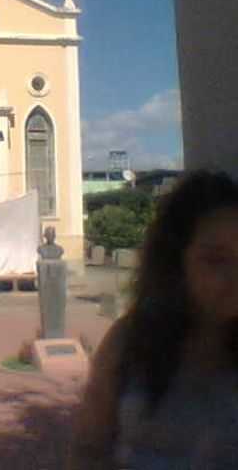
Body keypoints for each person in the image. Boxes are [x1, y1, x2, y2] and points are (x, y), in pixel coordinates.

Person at [67, 170, 238, 469]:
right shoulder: (130, 342)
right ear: (175, 261)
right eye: (215, 259)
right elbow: (89, 448)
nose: (235, 276)